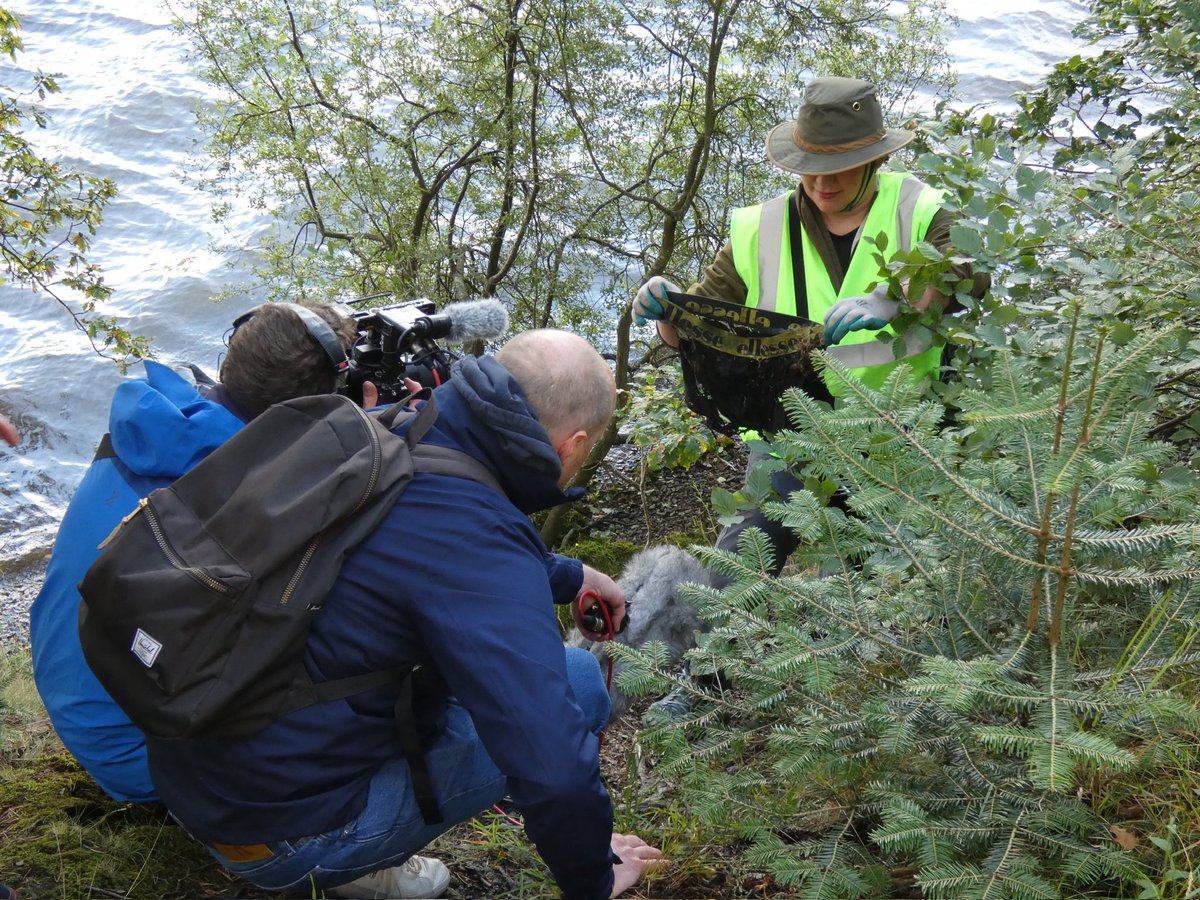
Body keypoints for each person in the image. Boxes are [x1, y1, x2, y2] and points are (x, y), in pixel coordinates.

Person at [142, 329, 664, 900]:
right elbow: (555, 767)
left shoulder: (388, 425)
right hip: (283, 839)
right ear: (575, 444)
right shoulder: (477, 539)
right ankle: (352, 866)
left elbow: (425, 550)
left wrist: (568, 575)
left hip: (191, 772)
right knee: (580, 683)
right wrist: (593, 873)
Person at [632, 76, 987, 720]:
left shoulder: (918, 208)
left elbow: (967, 274)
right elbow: (700, 316)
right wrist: (663, 306)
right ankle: (699, 687)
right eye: (810, 168)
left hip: (892, 433)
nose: (822, 183)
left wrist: (892, 298)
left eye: (840, 168)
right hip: (786, 429)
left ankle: (863, 707)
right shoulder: (760, 226)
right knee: (743, 557)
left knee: (864, 573)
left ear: (873, 160)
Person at [29, 301, 361, 804]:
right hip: (141, 760)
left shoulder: (156, 425)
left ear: (231, 359)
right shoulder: (258, 491)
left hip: (83, 714)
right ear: (318, 401)